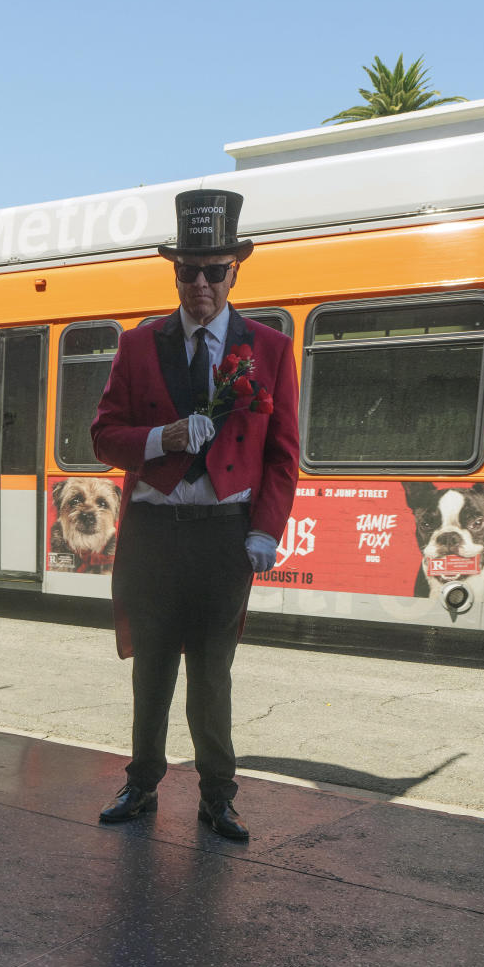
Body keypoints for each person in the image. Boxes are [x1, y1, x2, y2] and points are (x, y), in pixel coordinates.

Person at [90, 189, 299, 840]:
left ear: (236, 270)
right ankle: (142, 784)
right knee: (152, 669)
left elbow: (285, 455)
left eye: (214, 270)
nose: (200, 284)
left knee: (212, 675)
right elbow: (103, 436)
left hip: (221, 539)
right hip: (153, 536)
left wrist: (265, 528)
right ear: (174, 272)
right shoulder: (137, 345)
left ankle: (217, 797)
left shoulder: (269, 349)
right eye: (188, 270)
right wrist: (161, 440)